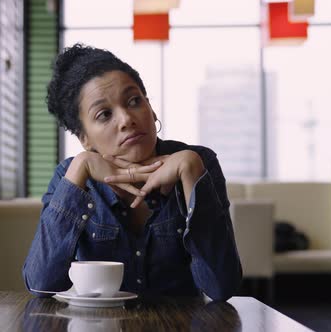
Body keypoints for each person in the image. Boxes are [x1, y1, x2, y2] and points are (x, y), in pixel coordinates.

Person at [22, 44, 242, 301]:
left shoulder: (198, 163)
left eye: (134, 101)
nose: (126, 119)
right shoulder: (69, 176)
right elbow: (41, 284)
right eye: (104, 114)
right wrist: (81, 168)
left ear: (151, 108)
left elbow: (222, 287)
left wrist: (192, 171)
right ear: (85, 138)